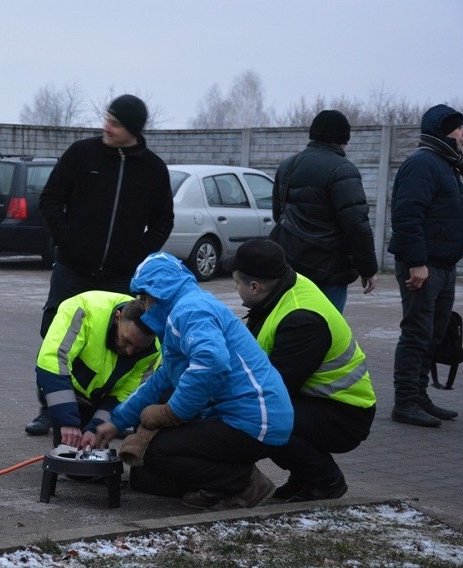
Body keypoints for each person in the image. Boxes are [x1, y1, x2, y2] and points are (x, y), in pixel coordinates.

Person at [94, 253, 294, 512]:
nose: (142, 307)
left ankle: (243, 484)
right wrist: (116, 421)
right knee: (158, 444)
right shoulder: (181, 312)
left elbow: (211, 363)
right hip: (247, 417)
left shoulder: (190, 310)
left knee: (156, 453)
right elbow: (161, 379)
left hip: (256, 420)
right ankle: (221, 485)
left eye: (144, 299)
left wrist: (171, 412)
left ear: (159, 292)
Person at [25, 94, 175, 436]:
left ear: (132, 130)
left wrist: (139, 254)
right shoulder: (82, 154)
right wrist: (66, 239)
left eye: (116, 123)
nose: (106, 126)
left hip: (122, 276)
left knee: (121, 343)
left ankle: (101, 410)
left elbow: (163, 221)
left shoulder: (153, 169)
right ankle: (49, 409)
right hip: (73, 268)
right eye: (107, 118)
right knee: (55, 334)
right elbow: (50, 198)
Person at [224, 239, 376, 502]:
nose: (235, 289)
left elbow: (277, 387)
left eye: (236, 283)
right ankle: (304, 477)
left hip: (344, 414)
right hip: (322, 402)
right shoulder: (283, 287)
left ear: (255, 287)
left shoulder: (301, 319)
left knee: (263, 418)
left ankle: (327, 481)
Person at [388, 104, 463, 428]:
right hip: (424, 267)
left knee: (434, 334)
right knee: (417, 334)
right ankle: (405, 401)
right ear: (442, 132)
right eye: (458, 128)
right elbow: (407, 217)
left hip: (442, 266)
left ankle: (419, 396)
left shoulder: (444, 164)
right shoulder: (423, 164)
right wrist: (417, 264)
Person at [269, 109, 378, 312]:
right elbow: (356, 226)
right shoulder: (343, 170)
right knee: (327, 330)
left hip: (290, 265)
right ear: (343, 139)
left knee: (290, 325)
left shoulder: (287, 165)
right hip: (329, 272)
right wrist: (368, 269)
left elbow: (278, 214)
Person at [37, 291, 160, 449]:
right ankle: (52, 412)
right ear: (117, 318)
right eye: (127, 341)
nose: (130, 351)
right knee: (68, 449)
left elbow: (125, 395)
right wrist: (67, 420)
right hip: (65, 386)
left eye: (138, 348)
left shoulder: (155, 350)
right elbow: (51, 361)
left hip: (101, 395)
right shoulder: (82, 310)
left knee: (91, 451)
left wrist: (97, 428)